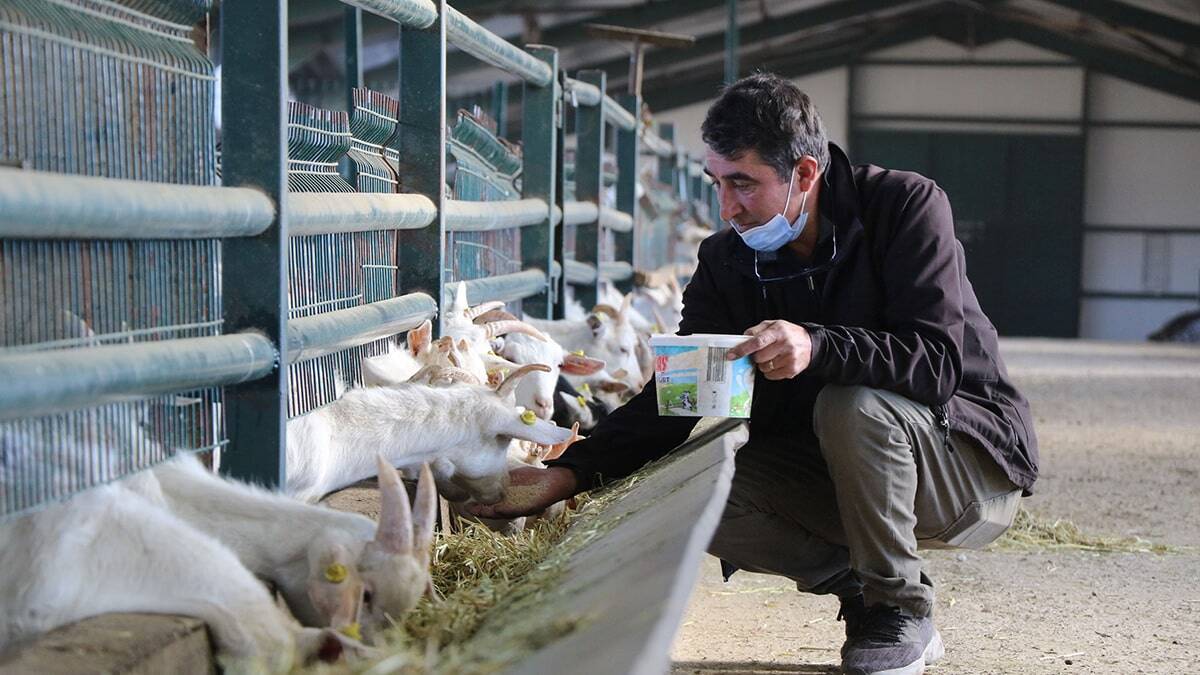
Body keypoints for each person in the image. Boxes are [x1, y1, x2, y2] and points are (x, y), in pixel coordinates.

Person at [468, 73, 1038, 675]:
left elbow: (937, 361)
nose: (728, 207)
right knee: (693, 492)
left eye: (744, 183)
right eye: (718, 182)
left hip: (964, 468)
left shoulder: (905, 207)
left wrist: (817, 346)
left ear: (806, 174)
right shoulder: (726, 261)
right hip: (841, 474)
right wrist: (568, 473)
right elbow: (679, 389)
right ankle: (864, 592)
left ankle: (899, 608)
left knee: (852, 405)